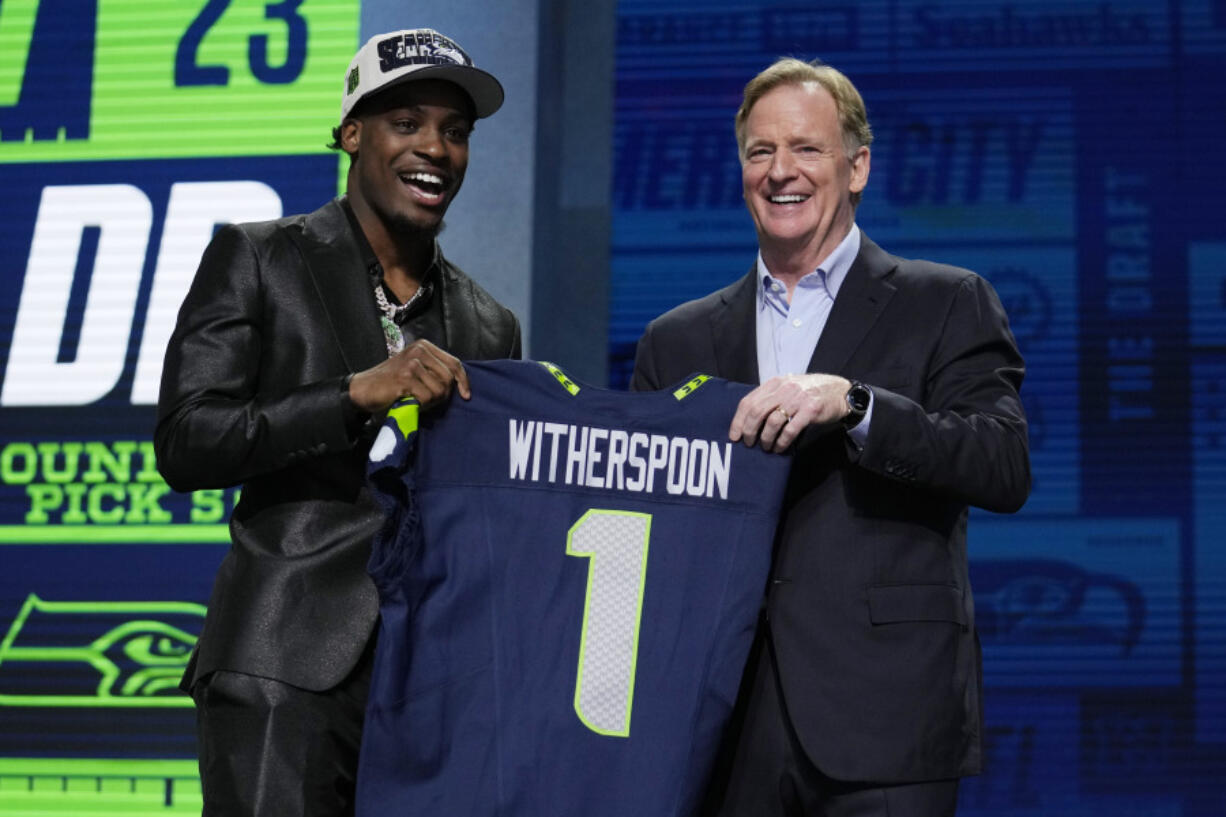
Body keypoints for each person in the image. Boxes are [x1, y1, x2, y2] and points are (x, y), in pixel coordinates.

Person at [631, 58, 1030, 817]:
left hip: (883, 718)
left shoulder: (944, 302)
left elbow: (1002, 462)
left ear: (857, 166)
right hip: (721, 719)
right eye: (760, 151)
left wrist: (854, 403)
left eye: (807, 149)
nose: (781, 171)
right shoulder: (673, 340)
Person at [155, 28, 521, 817]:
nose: (435, 147)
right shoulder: (257, 257)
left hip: (430, 687)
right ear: (352, 132)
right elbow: (188, 439)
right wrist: (352, 394)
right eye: (408, 123)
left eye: (455, 133)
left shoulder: (492, 325)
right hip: (282, 663)